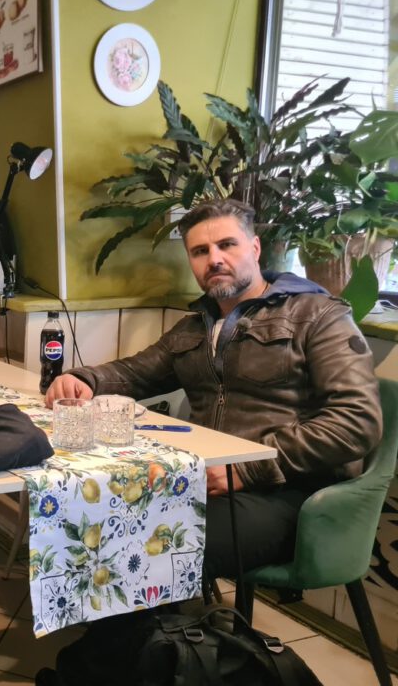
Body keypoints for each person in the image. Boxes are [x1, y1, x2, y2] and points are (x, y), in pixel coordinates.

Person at [46, 199, 381, 578]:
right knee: (88, 523)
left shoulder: (318, 316)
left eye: (227, 245)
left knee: (140, 547)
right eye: (200, 251)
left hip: (292, 493)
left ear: (255, 247)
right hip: (208, 480)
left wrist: (248, 470)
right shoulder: (194, 327)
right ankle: (151, 618)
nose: (214, 259)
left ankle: (156, 616)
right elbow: (136, 373)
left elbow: (356, 422)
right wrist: (84, 379)